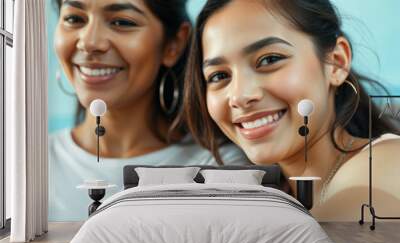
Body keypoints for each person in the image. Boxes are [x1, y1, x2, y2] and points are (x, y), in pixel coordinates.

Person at [184, 0, 400, 221]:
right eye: (219, 76)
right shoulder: (271, 200)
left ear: (336, 63)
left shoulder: (386, 164)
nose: (239, 96)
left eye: (269, 60)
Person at [49, 0, 250, 221]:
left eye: (122, 22)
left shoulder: (222, 169)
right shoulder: (22, 162)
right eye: (74, 19)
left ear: (174, 44)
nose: (89, 42)